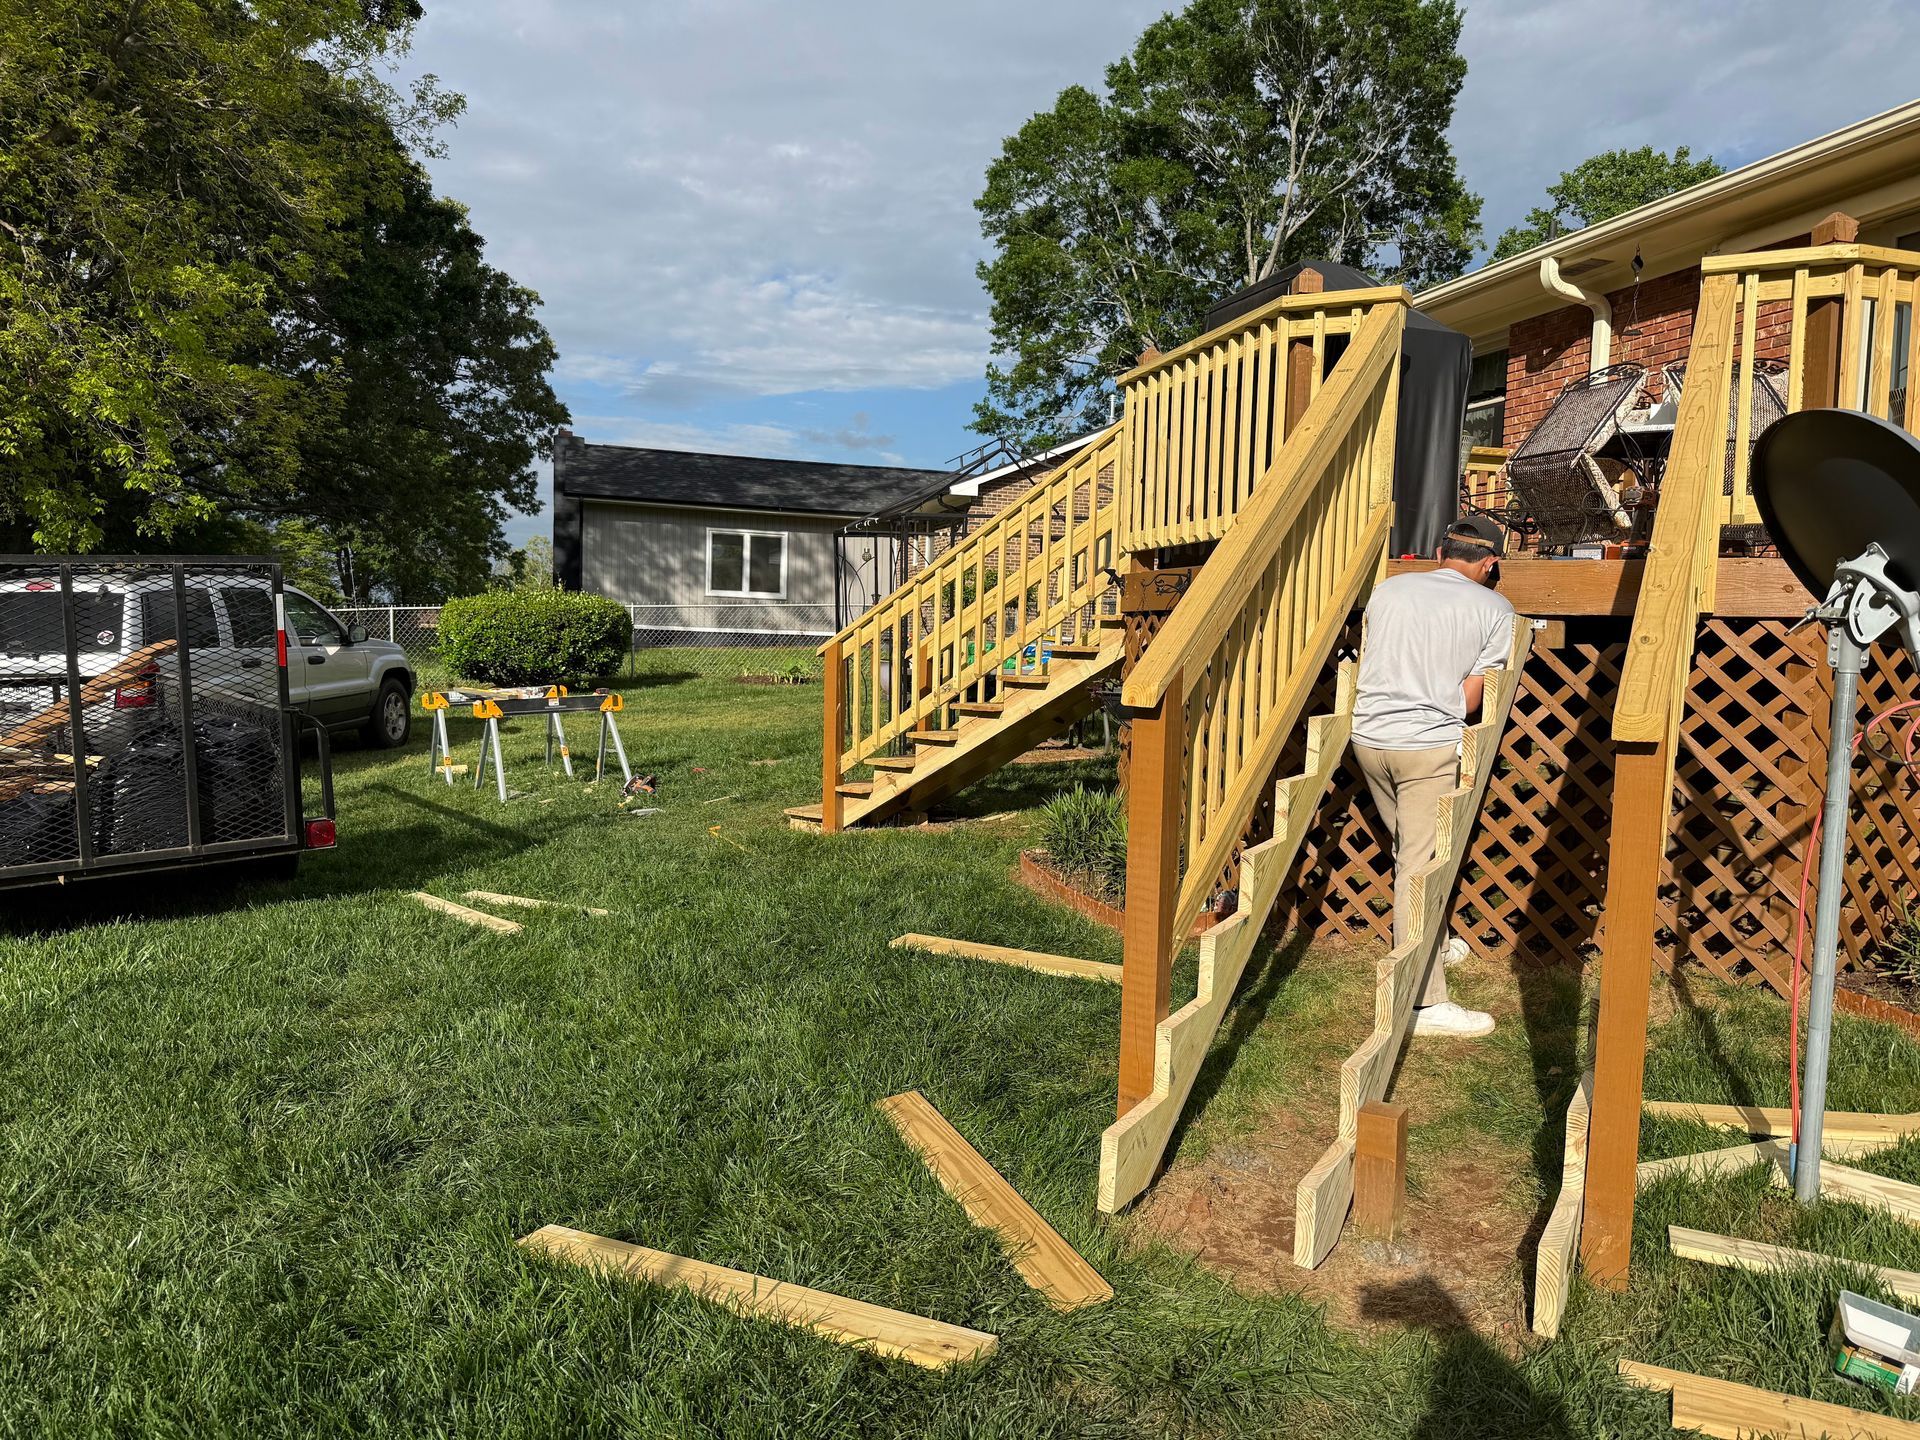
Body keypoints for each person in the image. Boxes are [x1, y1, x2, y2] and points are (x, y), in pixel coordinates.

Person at [1349, 514, 1516, 1039]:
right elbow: (1472, 697)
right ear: (1489, 563)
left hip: (1369, 740)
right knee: (1419, 867)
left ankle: (1436, 945)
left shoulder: (1389, 590)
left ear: (1442, 551)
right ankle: (1424, 1001)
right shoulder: (1494, 608)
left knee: (1410, 847)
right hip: (1427, 747)